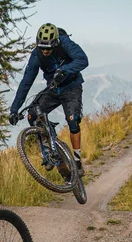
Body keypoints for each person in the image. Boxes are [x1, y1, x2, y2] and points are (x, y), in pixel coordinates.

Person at [9, 23, 89, 176]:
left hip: (72, 87)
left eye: (48, 48)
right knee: (33, 114)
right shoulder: (36, 55)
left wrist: (64, 70)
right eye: (42, 47)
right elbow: (26, 82)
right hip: (53, 89)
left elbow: (83, 60)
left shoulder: (65, 43)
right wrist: (14, 109)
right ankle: (50, 149)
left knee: (73, 120)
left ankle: (78, 163)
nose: (45, 51)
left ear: (55, 43)